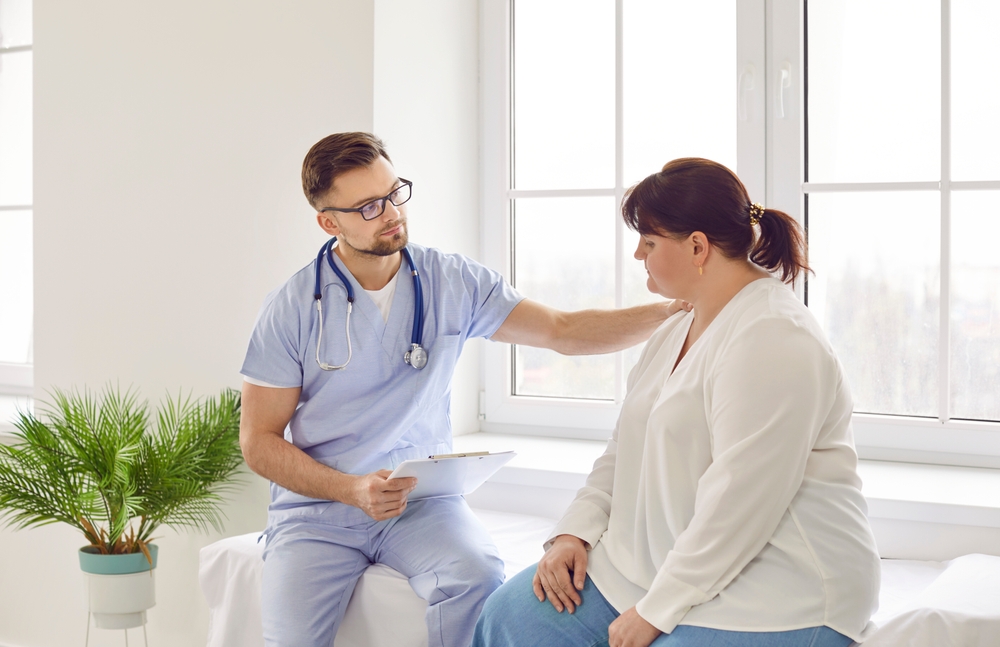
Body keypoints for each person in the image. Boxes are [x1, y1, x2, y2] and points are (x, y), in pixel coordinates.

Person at [238, 132, 686, 647]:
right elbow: (259, 441)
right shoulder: (291, 307)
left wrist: (673, 311)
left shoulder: (452, 281)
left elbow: (562, 330)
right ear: (328, 221)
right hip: (318, 513)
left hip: (420, 504)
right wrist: (351, 490)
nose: (391, 213)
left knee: (477, 578)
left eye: (394, 192)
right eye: (368, 206)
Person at [472, 158, 881, 647]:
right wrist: (573, 534)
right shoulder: (676, 327)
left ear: (696, 246)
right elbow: (624, 449)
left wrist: (657, 610)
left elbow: (741, 501)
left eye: (648, 241)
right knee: (509, 619)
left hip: (778, 588)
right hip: (654, 563)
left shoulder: (775, 337)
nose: (638, 254)